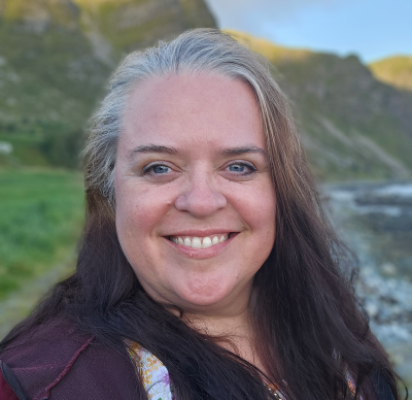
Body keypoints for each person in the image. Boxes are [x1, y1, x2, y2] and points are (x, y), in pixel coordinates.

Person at [0, 29, 401, 400]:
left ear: (280, 188)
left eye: (239, 166)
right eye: (159, 168)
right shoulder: (34, 386)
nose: (202, 202)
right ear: (109, 190)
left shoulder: (339, 339)